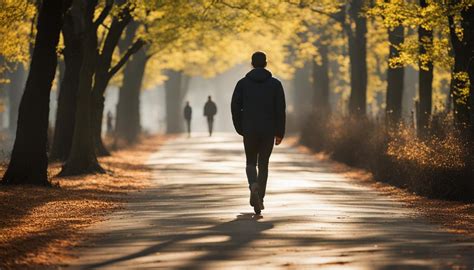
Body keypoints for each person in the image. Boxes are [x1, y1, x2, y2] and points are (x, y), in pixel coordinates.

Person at [231, 51, 286, 215]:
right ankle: (260, 197)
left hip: (249, 129)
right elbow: (280, 110)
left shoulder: (242, 84)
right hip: (268, 130)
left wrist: (240, 127)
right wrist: (279, 132)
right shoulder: (276, 85)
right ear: (266, 63)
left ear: (252, 64)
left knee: (250, 162)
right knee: (263, 164)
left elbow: (235, 107)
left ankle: (252, 184)